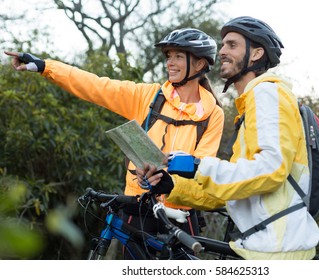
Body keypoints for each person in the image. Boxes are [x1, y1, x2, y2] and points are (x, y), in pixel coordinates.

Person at [5, 28, 224, 258]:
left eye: (178, 56)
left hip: (180, 217)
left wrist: (169, 183)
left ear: (200, 64)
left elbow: (202, 168)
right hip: (137, 209)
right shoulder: (148, 96)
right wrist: (45, 66)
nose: (170, 62)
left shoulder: (212, 114)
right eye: (168, 56)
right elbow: (96, 86)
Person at [137, 16, 319, 260]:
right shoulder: (251, 106)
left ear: (256, 54)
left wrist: (199, 166)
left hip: (278, 251)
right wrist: (173, 186)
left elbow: (272, 169)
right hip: (262, 246)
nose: (222, 51)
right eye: (222, 45)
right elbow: (235, 187)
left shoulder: (266, 93)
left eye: (232, 45)